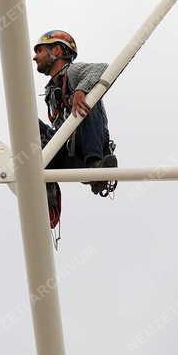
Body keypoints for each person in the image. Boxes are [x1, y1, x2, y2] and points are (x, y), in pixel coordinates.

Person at [33, 31, 117, 226]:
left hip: (90, 147)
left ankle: (97, 166)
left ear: (56, 50)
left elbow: (104, 69)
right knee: (29, 124)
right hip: (70, 152)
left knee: (86, 101)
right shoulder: (51, 91)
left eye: (40, 50)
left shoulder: (72, 72)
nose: (35, 56)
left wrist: (81, 90)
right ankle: (46, 194)